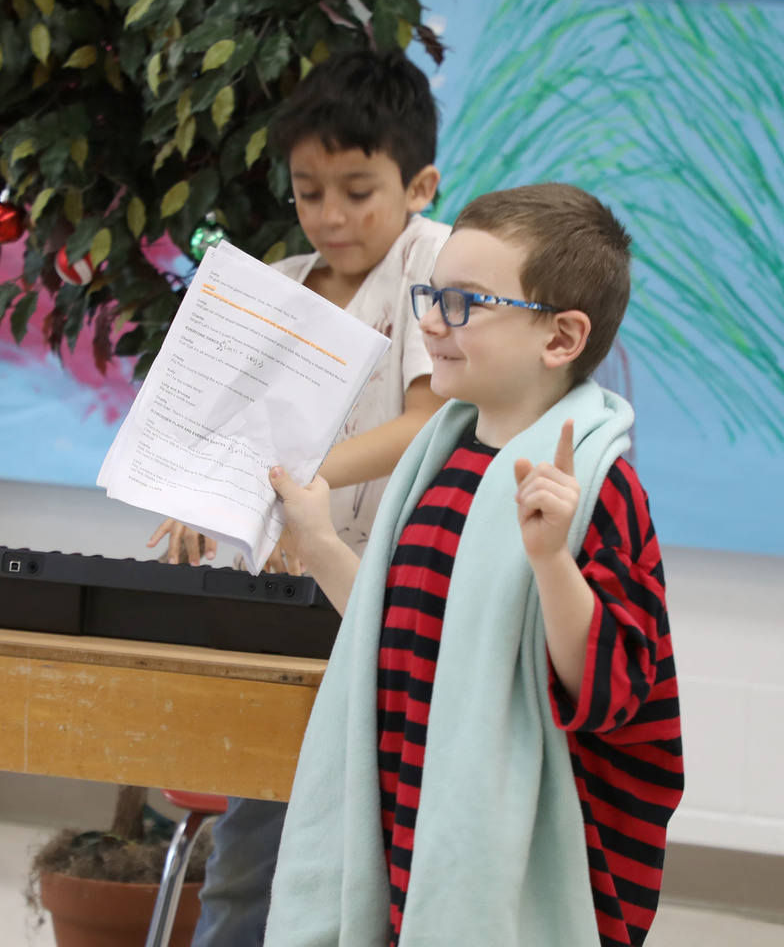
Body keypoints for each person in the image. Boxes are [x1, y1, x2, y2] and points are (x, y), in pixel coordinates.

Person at [264, 183, 684, 947]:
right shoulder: (439, 458)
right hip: (408, 812)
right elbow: (396, 632)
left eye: (462, 304)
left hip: (511, 854)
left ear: (560, 338)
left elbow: (609, 686)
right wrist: (320, 542)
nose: (430, 322)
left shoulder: (594, 486)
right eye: (431, 295)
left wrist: (550, 559)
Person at [154, 49, 451, 947]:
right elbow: (230, 441)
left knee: (375, 859)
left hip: (388, 600)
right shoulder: (278, 285)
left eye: (358, 191)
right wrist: (198, 497)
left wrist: (299, 484)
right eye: (309, 191)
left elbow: (425, 422)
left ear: (420, 186)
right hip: (284, 603)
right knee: (254, 849)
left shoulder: (435, 264)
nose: (331, 216)